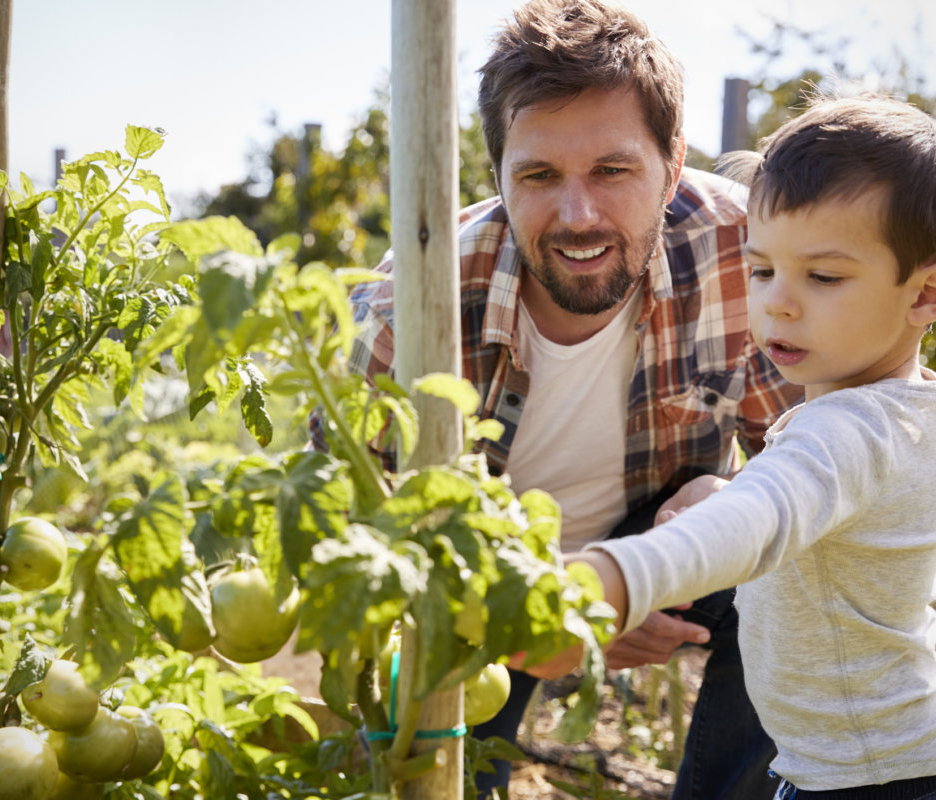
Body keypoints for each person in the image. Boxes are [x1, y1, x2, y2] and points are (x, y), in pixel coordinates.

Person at [337, 1, 801, 796]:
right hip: (488, 588)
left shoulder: (743, 254)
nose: (578, 214)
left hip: (673, 545)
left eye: (613, 170)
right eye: (540, 175)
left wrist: (720, 499)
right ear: (497, 177)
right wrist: (545, 613)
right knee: (418, 775)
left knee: (799, 572)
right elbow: (357, 548)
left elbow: (818, 451)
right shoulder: (406, 311)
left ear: (673, 160)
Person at [560, 91, 936, 798]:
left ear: (926, 296)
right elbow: (813, 512)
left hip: (880, 782)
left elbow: (758, 525)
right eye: (762, 270)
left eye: (823, 276)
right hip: (859, 767)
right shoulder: (890, 405)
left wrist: (608, 579)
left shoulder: (851, 425)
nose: (779, 302)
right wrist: (733, 488)